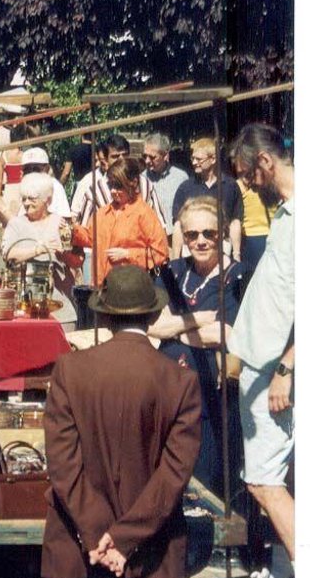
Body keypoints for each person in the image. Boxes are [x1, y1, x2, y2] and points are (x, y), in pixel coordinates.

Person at [42, 265, 202, 578]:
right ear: (153, 317)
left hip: (77, 548)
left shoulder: (69, 370)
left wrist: (98, 535)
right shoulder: (181, 381)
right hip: (152, 553)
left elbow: (63, 465)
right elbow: (173, 476)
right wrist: (120, 539)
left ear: (103, 316)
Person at [148, 196, 244, 509]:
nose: (200, 241)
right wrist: (202, 318)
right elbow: (154, 326)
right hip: (166, 390)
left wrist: (177, 326)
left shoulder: (238, 277)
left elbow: (226, 333)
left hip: (209, 396)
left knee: (205, 477)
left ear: (223, 234)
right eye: (192, 235)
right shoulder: (172, 271)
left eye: (209, 233)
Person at [226, 124, 295, 561]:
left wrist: (287, 368)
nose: (248, 185)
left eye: (249, 175)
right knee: (268, 480)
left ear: (264, 163)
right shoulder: (287, 213)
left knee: (265, 484)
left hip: (277, 373)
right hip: (263, 367)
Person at [72, 156, 169, 285]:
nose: (113, 191)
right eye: (111, 185)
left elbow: (160, 253)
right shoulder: (102, 213)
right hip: (102, 287)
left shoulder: (144, 213)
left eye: (118, 186)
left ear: (133, 182)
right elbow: (91, 238)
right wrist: (71, 230)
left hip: (130, 288)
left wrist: (128, 254)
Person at [1, 173, 81, 327]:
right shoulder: (16, 224)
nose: (26, 203)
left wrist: (64, 254)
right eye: (24, 198)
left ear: (47, 200)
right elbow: (8, 254)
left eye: (32, 198)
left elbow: (76, 261)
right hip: (26, 309)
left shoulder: (61, 223)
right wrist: (38, 249)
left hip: (61, 308)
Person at [72, 134, 167, 229]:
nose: (121, 160)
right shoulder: (94, 193)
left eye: (125, 155)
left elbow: (160, 226)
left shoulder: (145, 186)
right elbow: (84, 233)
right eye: (115, 156)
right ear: (105, 160)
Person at [171, 137, 243, 261]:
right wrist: (176, 262)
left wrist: (236, 256)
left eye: (198, 159)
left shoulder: (230, 186)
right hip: (192, 246)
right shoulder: (185, 188)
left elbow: (235, 222)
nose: (194, 162)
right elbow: (178, 225)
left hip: (222, 247)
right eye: (192, 158)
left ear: (213, 159)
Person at [142, 133, 190, 238]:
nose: (147, 161)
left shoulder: (180, 178)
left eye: (152, 157)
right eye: (144, 156)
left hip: (175, 237)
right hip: (151, 238)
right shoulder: (141, 179)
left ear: (165, 156)